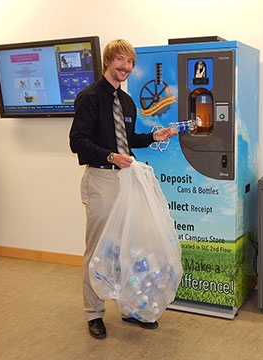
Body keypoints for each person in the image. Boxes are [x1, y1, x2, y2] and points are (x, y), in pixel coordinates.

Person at [69, 39, 174, 339]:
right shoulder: (89, 98)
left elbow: (127, 140)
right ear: (107, 62)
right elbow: (77, 142)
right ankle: (94, 313)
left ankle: (130, 307)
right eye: (120, 61)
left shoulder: (127, 103)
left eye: (129, 62)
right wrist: (110, 156)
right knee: (97, 250)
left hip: (126, 181)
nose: (125, 67)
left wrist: (154, 136)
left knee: (128, 247)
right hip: (101, 179)